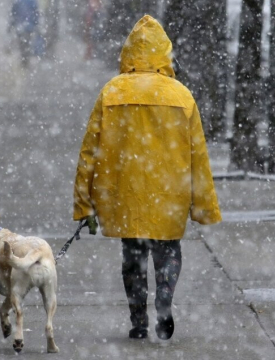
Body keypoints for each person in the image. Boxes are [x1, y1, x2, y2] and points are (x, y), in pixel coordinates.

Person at [73, 15, 222, 340]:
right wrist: (203, 206)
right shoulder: (181, 95)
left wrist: (85, 204)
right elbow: (198, 156)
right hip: (170, 191)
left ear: (127, 54)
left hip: (125, 193)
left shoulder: (111, 92)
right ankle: (164, 302)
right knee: (168, 250)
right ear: (164, 54)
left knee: (133, 256)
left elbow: (89, 153)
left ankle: (138, 321)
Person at [9, 0, 40, 67]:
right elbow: (36, 13)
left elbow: (13, 14)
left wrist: (11, 25)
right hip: (29, 27)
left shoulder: (17, 2)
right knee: (27, 43)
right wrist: (36, 24)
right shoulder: (32, 2)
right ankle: (26, 59)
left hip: (20, 27)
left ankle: (24, 59)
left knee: (22, 43)